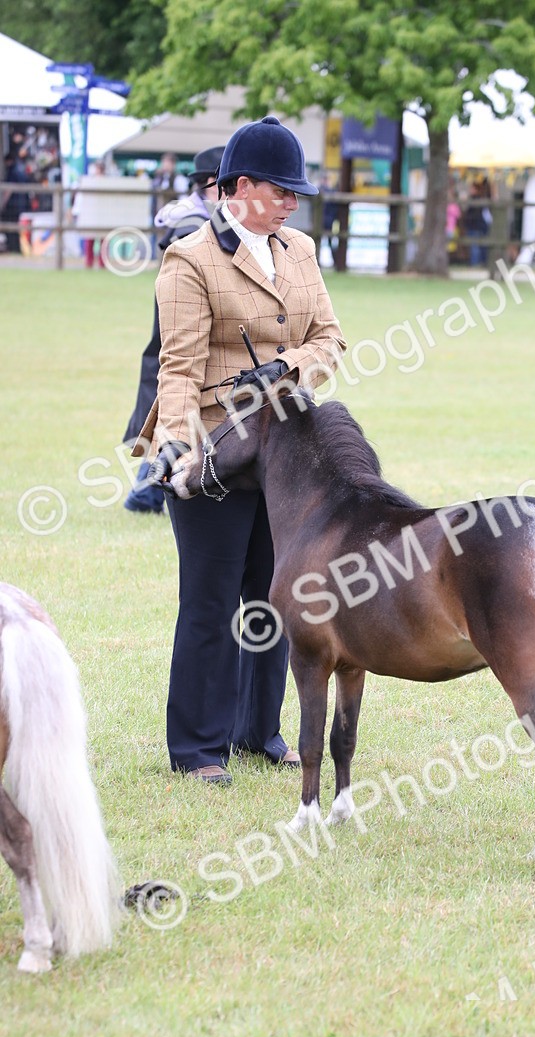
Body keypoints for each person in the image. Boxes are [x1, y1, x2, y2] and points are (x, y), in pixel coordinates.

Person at [132, 116, 347, 784]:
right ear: (242, 186)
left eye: (295, 192)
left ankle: (259, 730)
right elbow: (177, 370)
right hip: (212, 453)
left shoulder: (300, 250)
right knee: (211, 598)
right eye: (282, 189)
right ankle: (197, 748)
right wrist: (172, 449)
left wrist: (287, 368)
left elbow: (331, 340)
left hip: (283, 452)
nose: (292, 200)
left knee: (273, 595)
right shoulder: (189, 260)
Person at [122, 145, 226, 514]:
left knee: (173, 408)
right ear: (211, 184)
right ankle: (149, 490)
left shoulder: (192, 218)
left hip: (171, 338)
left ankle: (148, 489)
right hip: (179, 336)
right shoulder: (191, 228)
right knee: (178, 408)